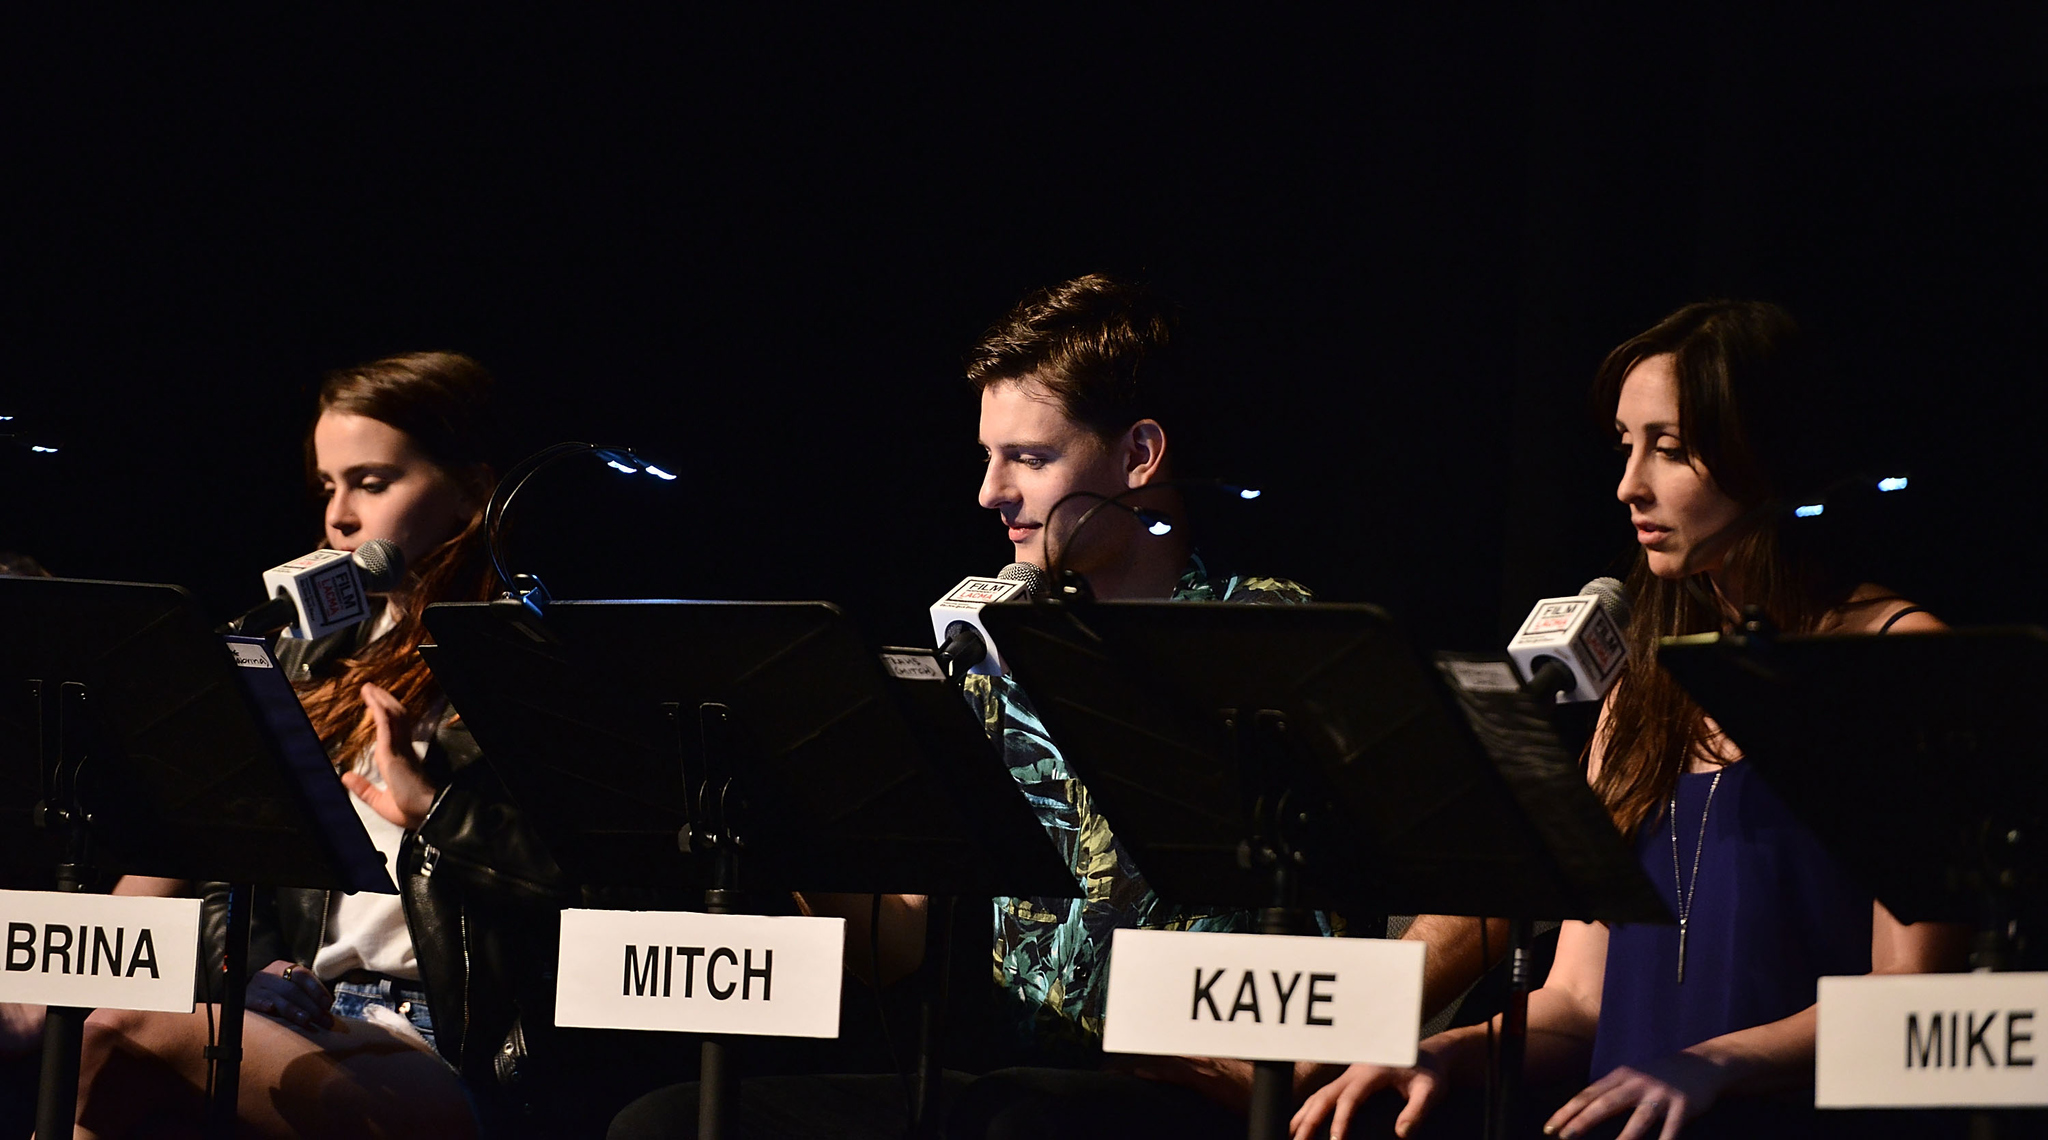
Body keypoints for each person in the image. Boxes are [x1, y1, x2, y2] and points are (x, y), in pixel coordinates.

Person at [609, 274, 1322, 1140]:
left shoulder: (1264, 634)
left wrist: (1310, 1052)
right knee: (663, 1123)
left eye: (1028, 457)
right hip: (1005, 1086)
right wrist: (791, 819)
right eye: (988, 456)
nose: (990, 492)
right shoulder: (987, 648)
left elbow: (1442, 870)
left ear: (1139, 455)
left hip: (1184, 1095)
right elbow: (894, 946)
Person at [1290, 301, 1969, 1140]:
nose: (1628, 485)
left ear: (1768, 457)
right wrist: (1447, 1051)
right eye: (1625, 446)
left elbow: (1921, 1007)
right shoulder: (1643, 683)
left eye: (1670, 449)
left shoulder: (1896, 657)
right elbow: (1577, 1003)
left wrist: (1718, 1063)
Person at [74, 351, 568, 1139]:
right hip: (317, 1012)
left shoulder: (537, 663)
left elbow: (603, 891)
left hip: (454, 1045)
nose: (339, 516)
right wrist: (247, 976)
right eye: (327, 486)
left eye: (372, 483)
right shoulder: (314, 652)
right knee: (103, 1048)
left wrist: (432, 809)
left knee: (116, 1035)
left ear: (474, 491)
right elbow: (232, 855)